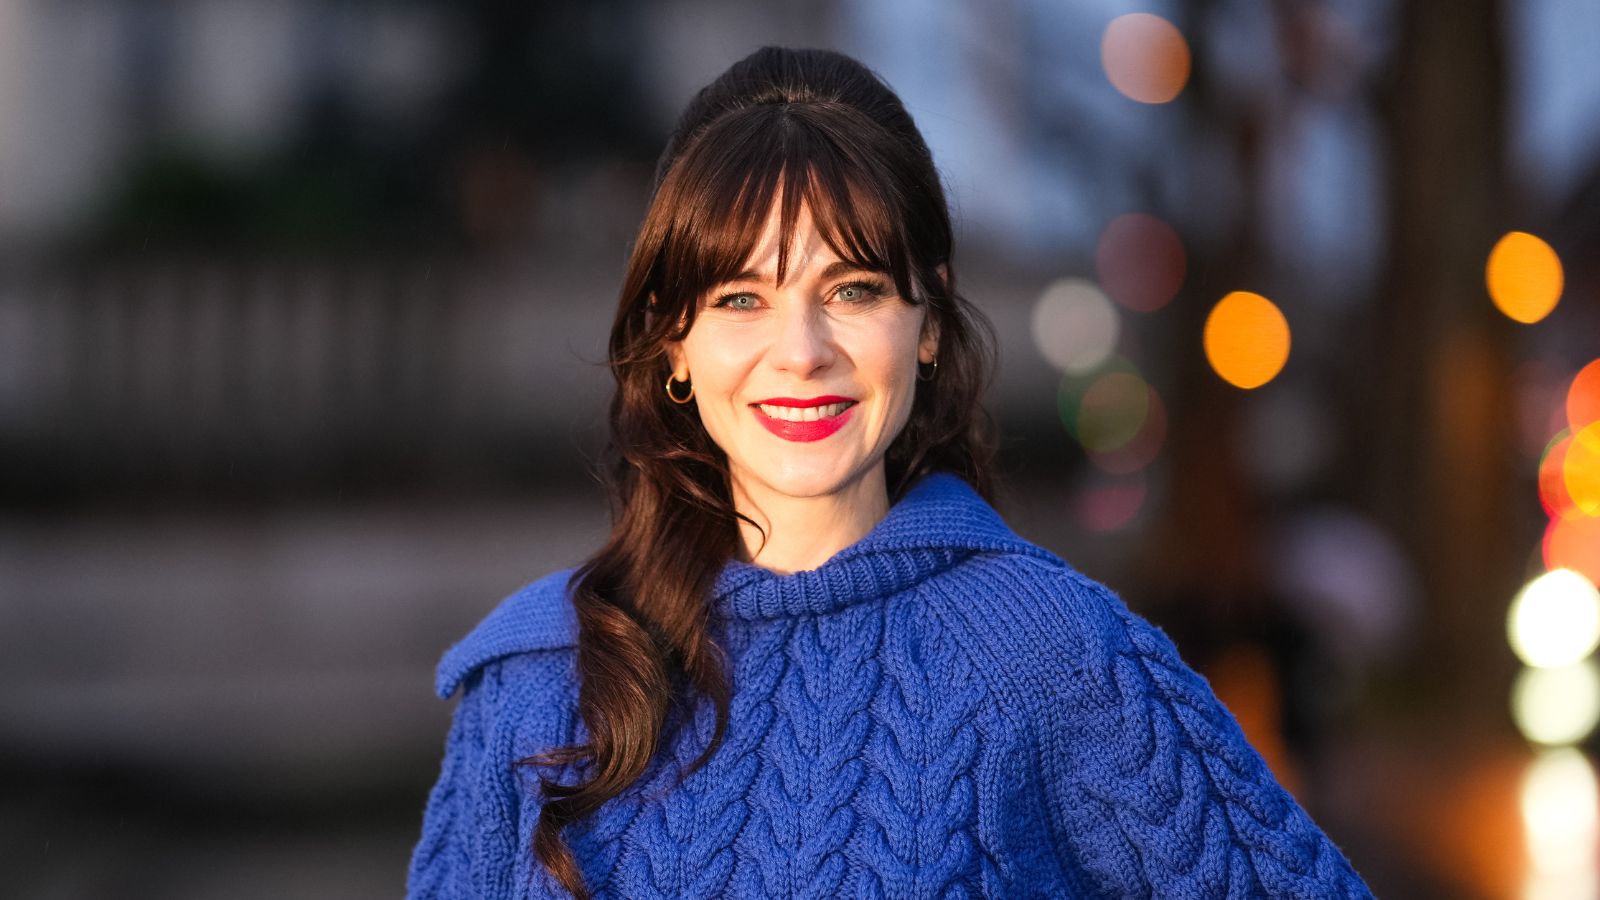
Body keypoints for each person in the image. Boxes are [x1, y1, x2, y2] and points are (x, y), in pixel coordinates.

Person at [406, 47, 1373, 899]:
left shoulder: (1049, 656)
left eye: (854, 289)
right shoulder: (532, 678)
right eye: (742, 296)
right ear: (673, 343)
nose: (802, 350)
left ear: (929, 325)